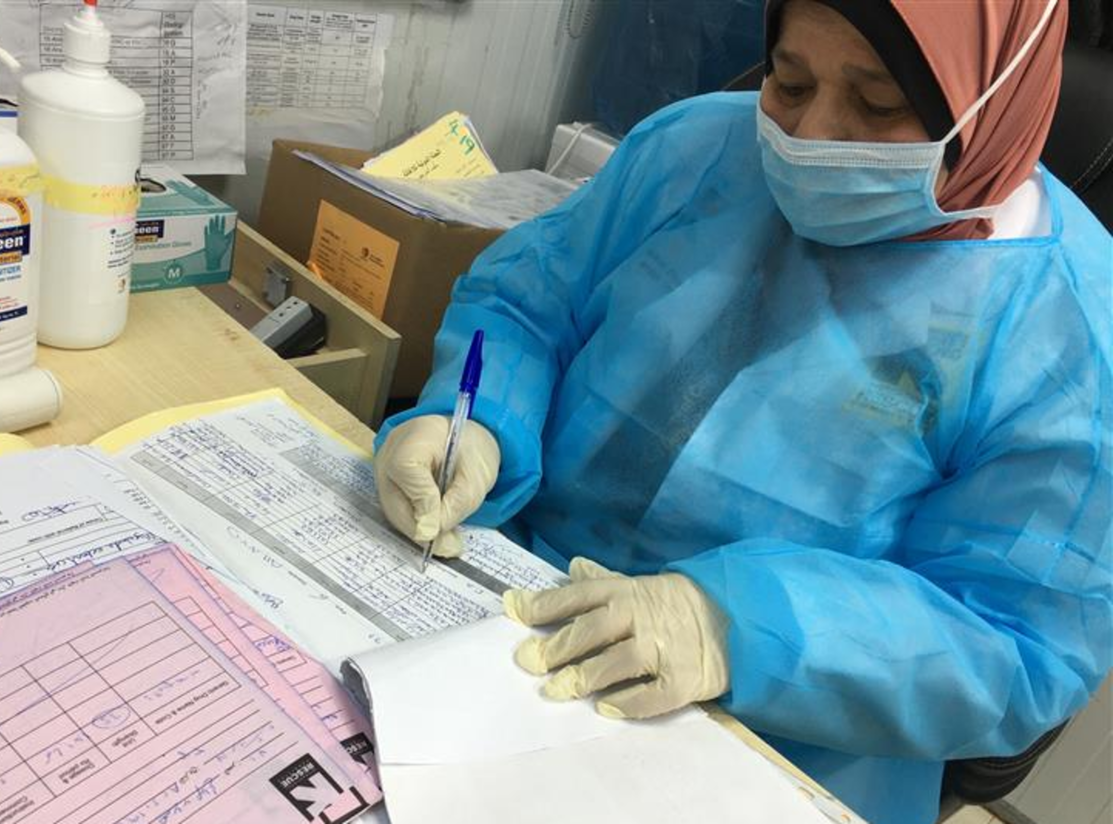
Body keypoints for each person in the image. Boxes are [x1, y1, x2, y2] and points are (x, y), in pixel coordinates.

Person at [373, 2, 1112, 822]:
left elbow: (1014, 642)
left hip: (778, 739)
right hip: (510, 607)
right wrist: (475, 419)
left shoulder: (1069, 330)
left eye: (877, 105)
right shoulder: (693, 148)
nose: (812, 136)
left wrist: (732, 625)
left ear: (989, 105)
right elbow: (526, 301)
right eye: (788, 83)